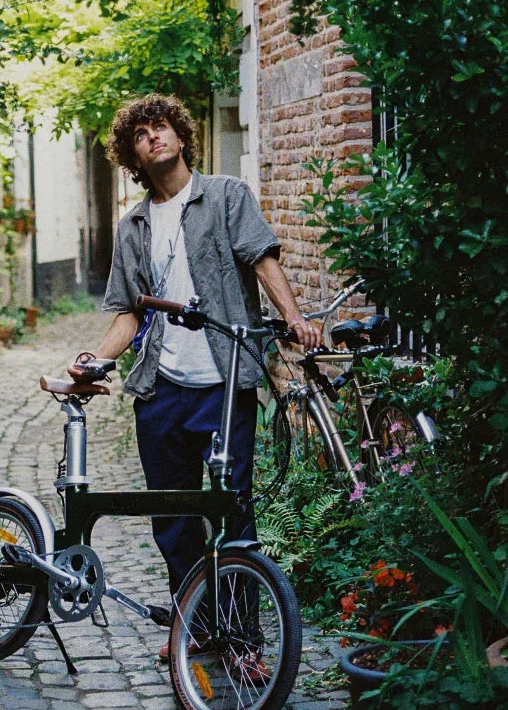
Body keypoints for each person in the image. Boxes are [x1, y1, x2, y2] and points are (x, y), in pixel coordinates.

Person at [70, 94, 321, 660]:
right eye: (141, 134)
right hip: (161, 390)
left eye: (162, 127)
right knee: (174, 521)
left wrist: (294, 318)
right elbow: (129, 312)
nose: (154, 137)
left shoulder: (226, 196)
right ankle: (195, 625)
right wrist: (98, 359)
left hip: (224, 382)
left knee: (233, 513)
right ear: (132, 153)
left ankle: (244, 639)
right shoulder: (134, 225)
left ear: (181, 137)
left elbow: (262, 258)